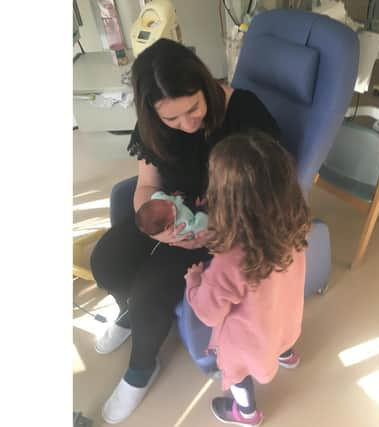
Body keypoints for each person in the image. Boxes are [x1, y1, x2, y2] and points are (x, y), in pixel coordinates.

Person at [89, 38, 280, 424]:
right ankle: (130, 311)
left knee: (153, 289)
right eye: (172, 119)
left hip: (226, 225)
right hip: (170, 214)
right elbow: (145, 186)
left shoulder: (244, 112)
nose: (187, 124)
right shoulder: (154, 126)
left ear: (205, 85)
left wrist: (218, 233)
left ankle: (142, 368)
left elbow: (271, 189)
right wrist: (158, 227)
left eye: (194, 109)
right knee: (106, 261)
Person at [185, 131, 311, 427]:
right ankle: (286, 355)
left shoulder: (229, 261)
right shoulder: (296, 224)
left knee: (238, 372)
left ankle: (247, 413)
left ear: (226, 199)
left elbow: (207, 312)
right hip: (284, 317)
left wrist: (195, 282)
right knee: (281, 335)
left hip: (248, 342)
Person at [135, 191, 208, 239]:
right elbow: (201, 225)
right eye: (170, 208)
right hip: (197, 213)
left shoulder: (158, 200)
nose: (170, 203)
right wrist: (199, 209)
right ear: (168, 226)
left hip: (187, 198)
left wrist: (172, 195)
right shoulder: (181, 226)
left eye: (165, 202)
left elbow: (157, 194)